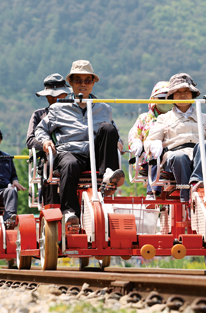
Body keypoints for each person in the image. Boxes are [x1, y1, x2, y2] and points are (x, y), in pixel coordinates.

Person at [35, 60, 125, 230]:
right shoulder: (58, 108)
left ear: (93, 83)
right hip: (70, 151)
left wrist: (118, 142)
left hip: (95, 152)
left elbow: (115, 132)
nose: (83, 84)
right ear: (70, 83)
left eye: (87, 80)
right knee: (70, 163)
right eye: (78, 80)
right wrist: (46, 141)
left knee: (108, 128)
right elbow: (41, 130)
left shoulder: (104, 108)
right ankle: (70, 212)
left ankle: (109, 176)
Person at [144, 73, 206, 203]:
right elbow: (150, 140)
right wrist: (154, 143)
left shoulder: (204, 118)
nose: (182, 94)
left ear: (192, 94)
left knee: (205, 145)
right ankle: (186, 195)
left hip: (199, 158)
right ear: (172, 96)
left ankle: (196, 182)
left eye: (186, 91)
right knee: (178, 156)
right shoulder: (164, 118)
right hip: (174, 159)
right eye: (177, 92)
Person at [26, 73, 71, 206]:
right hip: (51, 160)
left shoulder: (77, 113)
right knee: (49, 170)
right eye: (50, 95)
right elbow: (30, 140)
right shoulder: (39, 115)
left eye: (58, 94)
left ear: (66, 94)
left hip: (75, 155)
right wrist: (47, 145)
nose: (54, 98)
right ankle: (52, 214)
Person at [128, 81, 171, 199]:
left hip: (169, 157)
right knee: (156, 149)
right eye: (161, 98)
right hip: (149, 159)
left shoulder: (176, 118)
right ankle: (152, 191)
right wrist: (136, 144)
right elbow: (134, 135)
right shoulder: (145, 118)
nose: (165, 101)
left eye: (168, 98)